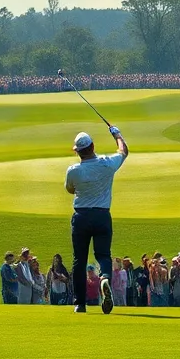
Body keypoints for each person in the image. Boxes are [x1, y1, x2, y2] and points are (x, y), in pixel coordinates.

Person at [64, 127, 128, 314]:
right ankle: (105, 277)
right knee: (103, 255)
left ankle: (80, 304)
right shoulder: (106, 163)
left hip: (81, 216)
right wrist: (117, 135)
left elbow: (70, 189)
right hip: (102, 215)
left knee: (79, 260)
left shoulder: (73, 170)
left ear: (78, 151)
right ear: (92, 146)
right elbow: (124, 151)